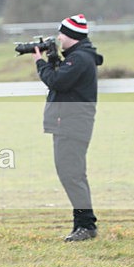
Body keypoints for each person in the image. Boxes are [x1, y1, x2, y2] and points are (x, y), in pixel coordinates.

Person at [34, 14, 103, 242]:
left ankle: (86, 226)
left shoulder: (80, 59)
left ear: (72, 36)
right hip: (70, 124)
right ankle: (83, 225)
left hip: (72, 124)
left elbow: (56, 82)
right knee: (72, 175)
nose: (58, 38)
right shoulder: (78, 57)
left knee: (71, 175)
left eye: (62, 33)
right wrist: (54, 60)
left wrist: (40, 62)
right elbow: (62, 79)